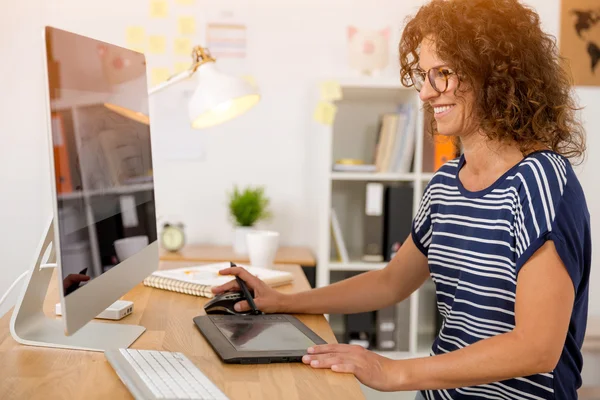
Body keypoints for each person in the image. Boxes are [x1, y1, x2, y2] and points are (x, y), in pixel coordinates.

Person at [213, 0, 591, 398]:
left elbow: (536, 348)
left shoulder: (542, 183)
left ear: (497, 74)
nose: (426, 92)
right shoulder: (447, 182)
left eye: (443, 73)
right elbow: (391, 282)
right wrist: (282, 302)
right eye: (423, 75)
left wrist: (393, 372)